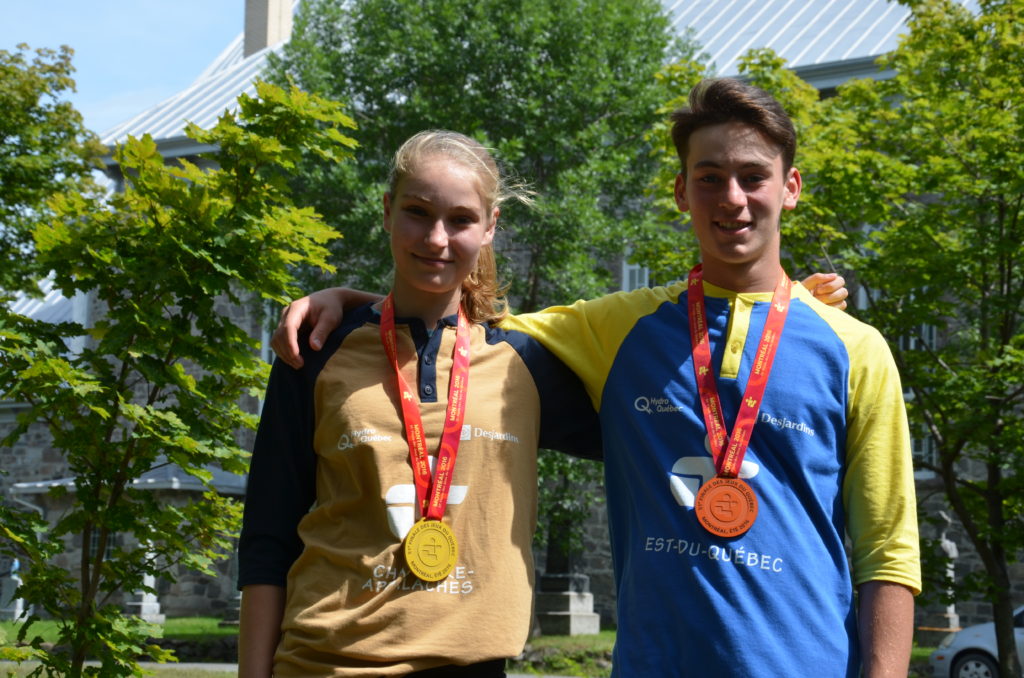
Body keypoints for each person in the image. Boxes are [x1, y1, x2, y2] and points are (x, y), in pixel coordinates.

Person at [273, 78, 921, 677]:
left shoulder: (854, 350)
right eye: (710, 177)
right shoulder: (619, 330)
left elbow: (888, 552)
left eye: (753, 177)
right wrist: (353, 305)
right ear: (681, 191)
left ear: (791, 187)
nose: (732, 198)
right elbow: (462, 329)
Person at [237, 130, 602, 677]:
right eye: (417, 212)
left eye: (460, 220)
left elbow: (649, 439)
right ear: (387, 212)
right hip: (323, 663)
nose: (436, 238)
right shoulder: (317, 350)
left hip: (472, 662)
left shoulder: (524, 365)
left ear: (490, 227)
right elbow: (268, 536)